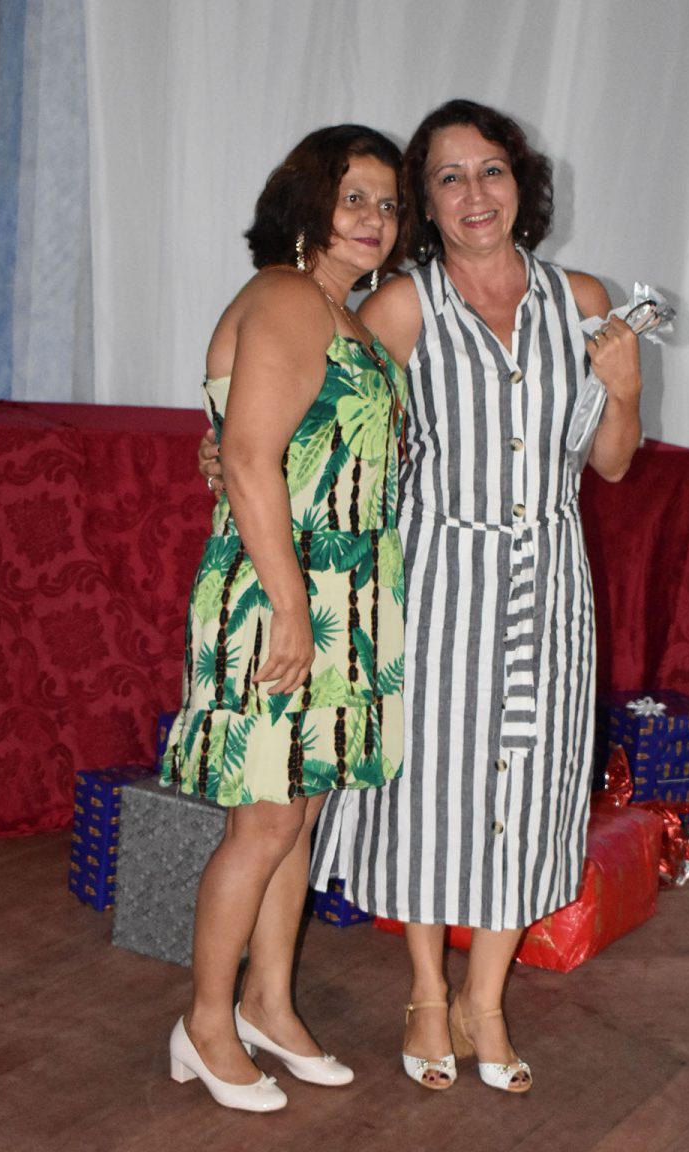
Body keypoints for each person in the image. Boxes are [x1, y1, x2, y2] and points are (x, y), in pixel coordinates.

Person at [199, 99, 642, 1096]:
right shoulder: (401, 306)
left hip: (552, 576)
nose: (473, 192)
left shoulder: (580, 299)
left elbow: (613, 463)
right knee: (436, 787)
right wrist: (223, 443)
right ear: (427, 207)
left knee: (534, 781)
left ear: (521, 184)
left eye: (491, 170)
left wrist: (625, 388)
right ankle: (428, 997)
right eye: (447, 177)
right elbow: (313, 401)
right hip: (438, 574)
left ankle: (487, 1002)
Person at [164, 123, 407, 1113]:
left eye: (388, 203)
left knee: (297, 808)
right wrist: (294, 607)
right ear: (307, 202)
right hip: (281, 593)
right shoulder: (284, 295)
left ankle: (266, 1003)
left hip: (339, 593)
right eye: (354, 197)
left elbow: (269, 443)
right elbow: (250, 459)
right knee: (263, 818)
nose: (375, 218)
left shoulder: (342, 317)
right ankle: (204, 1024)